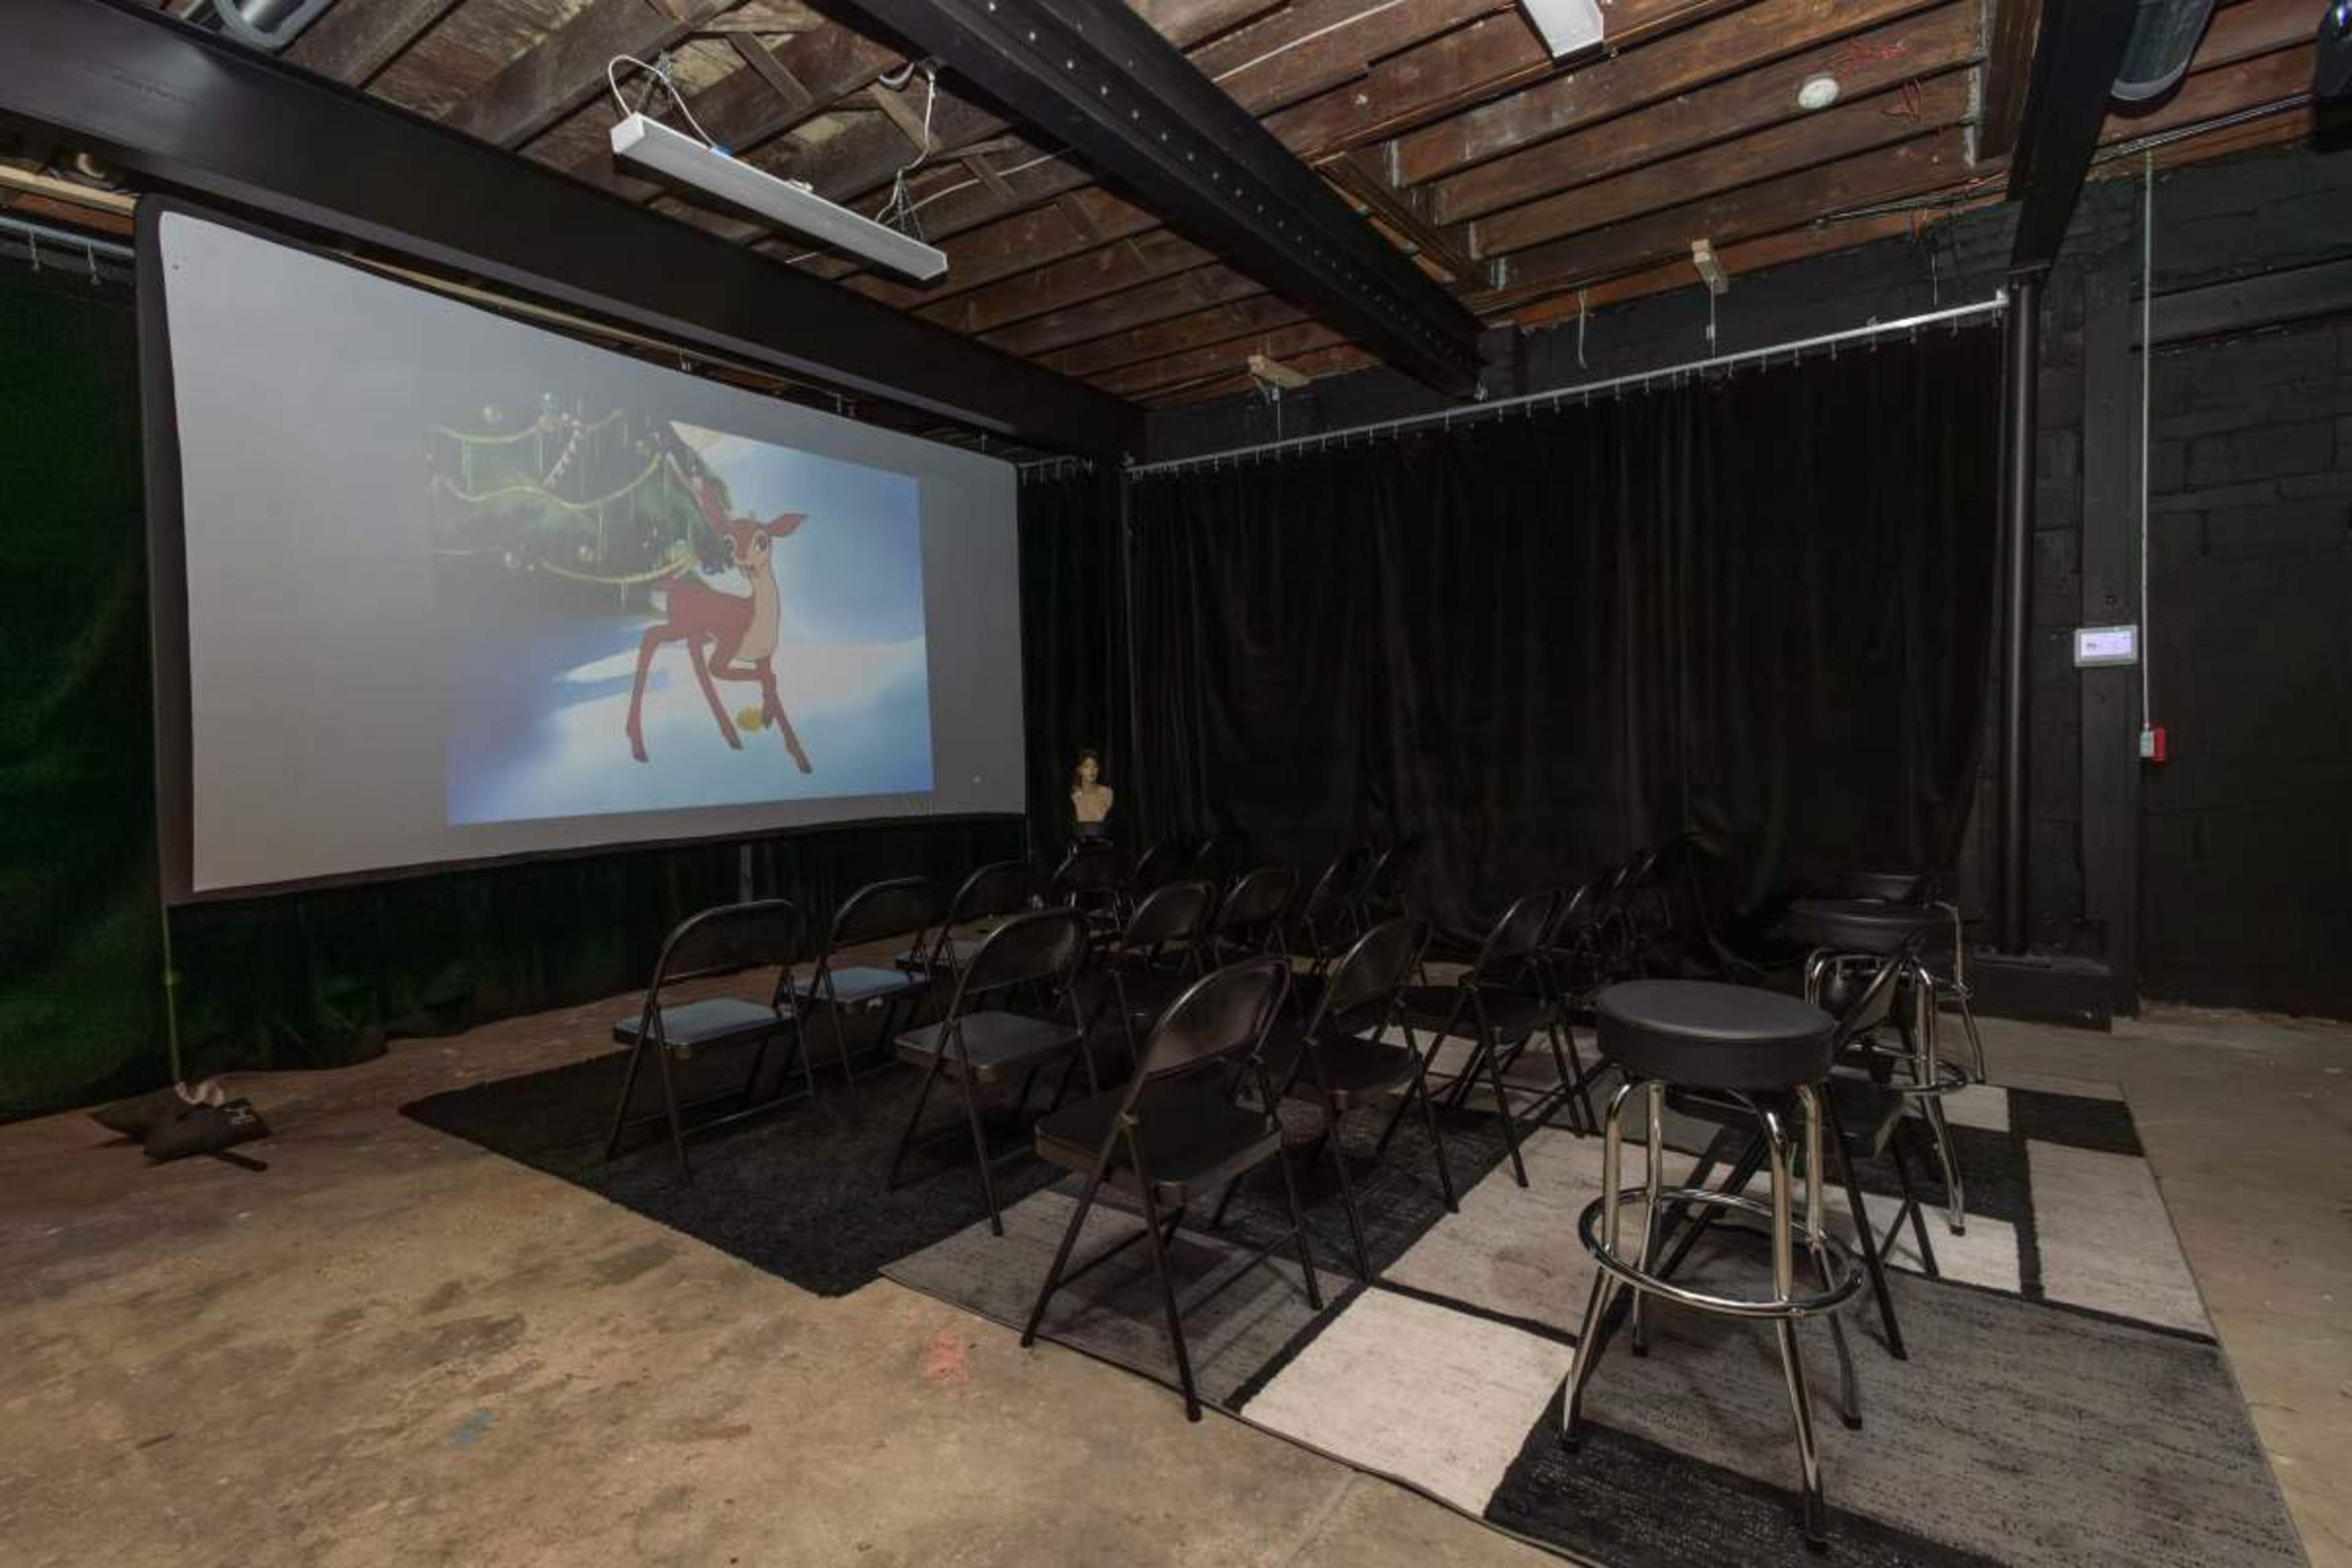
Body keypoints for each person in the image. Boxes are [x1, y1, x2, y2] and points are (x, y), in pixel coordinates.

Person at [1069, 749, 1113, 842]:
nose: (1091, 771)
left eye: (1095, 767)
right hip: (1081, 850)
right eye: (1087, 767)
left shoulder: (1107, 793)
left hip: (1105, 849)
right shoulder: (1074, 797)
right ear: (1079, 770)